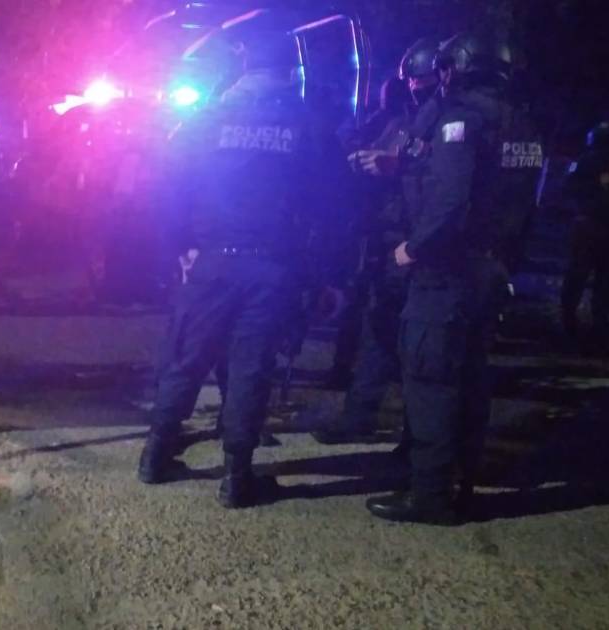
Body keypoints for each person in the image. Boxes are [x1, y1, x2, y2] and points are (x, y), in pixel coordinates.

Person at [138, 46, 340, 508]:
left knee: (186, 359)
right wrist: (322, 273)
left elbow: (167, 185)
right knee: (251, 369)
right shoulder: (305, 124)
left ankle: (154, 457)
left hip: (211, 261)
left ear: (246, 71)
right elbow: (329, 205)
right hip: (272, 267)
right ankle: (236, 477)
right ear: (288, 73)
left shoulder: (208, 119)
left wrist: (179, 247)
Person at [354, 32, 516, 525]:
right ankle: (461, 481)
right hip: (490, 268)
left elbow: (450, 198)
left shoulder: (460, 120)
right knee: (469, 380)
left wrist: (414, 248)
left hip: (446, 270)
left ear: (456, 68)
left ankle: (429, 494)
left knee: (431, 382)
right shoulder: (519, 122)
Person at [313, 40, 441, 445]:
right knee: (378, 329)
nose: (415, 89)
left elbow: (446, 181)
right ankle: (361, 415)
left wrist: (396, 166)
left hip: (424, 243)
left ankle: (418, 437)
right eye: (411, 82)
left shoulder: (452, 122)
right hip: (386, 238)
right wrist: (362, 161)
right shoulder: (400, 120)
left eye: (422, 82)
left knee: (421, 345)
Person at [560, 121, 609, 345]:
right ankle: (599, 324)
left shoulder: (583, 161)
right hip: (601, 226)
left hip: (587, 225)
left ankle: (569, 320)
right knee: (603, 280)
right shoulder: (586, 162)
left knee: (578, 275)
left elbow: (568, 188)